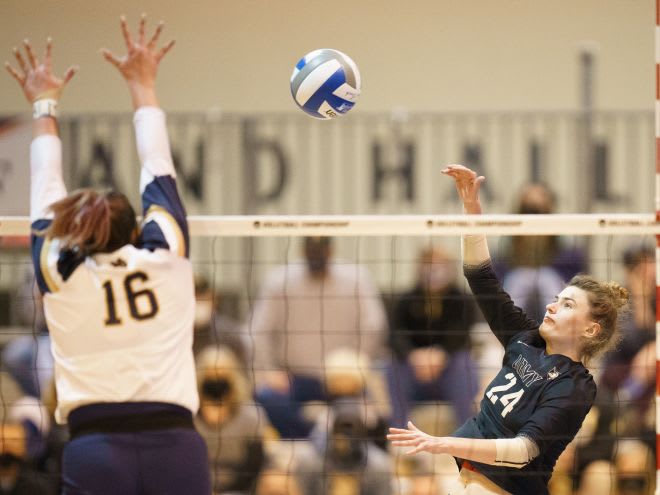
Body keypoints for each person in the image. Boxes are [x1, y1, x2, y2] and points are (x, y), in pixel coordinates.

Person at [5, 15, 210, 494]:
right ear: (136, 229)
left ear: (76, 234)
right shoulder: (165, 255)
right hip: (177, 446)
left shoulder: (60, 271)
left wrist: (43, 103)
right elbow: (158, 168)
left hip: (96, 449)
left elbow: (45, 187)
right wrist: (143, 85)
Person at [388, 164, 629, 495]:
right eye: (558, 299)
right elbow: (480, 277)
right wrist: (472, 210)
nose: (551, 306)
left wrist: (443, 443)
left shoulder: (575, 386)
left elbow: (522, 452)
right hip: (470, 481)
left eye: (568, 305)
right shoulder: (526, 338)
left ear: (590, 330)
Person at [248, 236, 387, 439]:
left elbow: (374, 326)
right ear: (303, 250)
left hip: (343, 377)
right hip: (293, 377)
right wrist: (269, 370)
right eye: (312, 249)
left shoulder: (357, 279)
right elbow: (257, 330)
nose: (316, 255)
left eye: (321, 249)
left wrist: (356, 364)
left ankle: (341, 444)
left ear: (331, 249)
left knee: (373, 409)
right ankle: (312, 440)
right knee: (267, 398)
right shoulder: (279, 281)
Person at [387, 243, 479, 428]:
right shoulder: (406, 300)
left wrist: (441, 354)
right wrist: (413, 356)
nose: (434, 271)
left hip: (448, 371)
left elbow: (462, 335)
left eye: (439, 266)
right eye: (429, 265)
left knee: (464, 363)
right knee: (393, 367)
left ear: (450, 269)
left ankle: (469, 433)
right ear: (419, 269)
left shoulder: (461, 299)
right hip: (415, 372)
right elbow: (395, 336)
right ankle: (399, 436)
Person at [195, 345, 268, 495]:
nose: (216, 386)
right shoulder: (188, 416)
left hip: (239, 489)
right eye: (210, 379)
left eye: (222, 378)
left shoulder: (251, 415)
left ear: (234, 380)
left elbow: (254, 465)